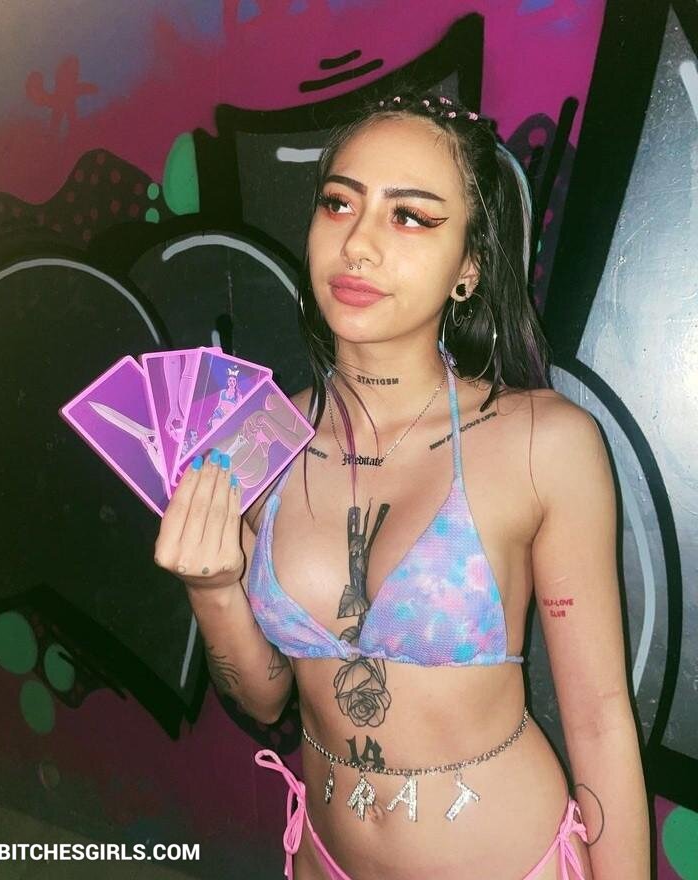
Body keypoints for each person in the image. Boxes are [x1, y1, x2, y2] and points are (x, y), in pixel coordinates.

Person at [154, 89, 650, 879]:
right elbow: (268, 697)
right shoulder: (257, 437)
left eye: (410, 216)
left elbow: (597, 719)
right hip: (323, 859)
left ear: (468, 267)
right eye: (338, 203)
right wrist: (212, 590)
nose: (357, 243)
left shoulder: (543, 442)